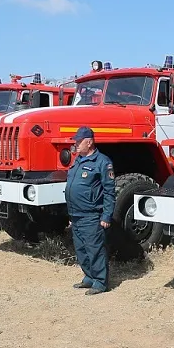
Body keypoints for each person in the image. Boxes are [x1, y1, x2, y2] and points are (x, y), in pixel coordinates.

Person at [65, 126, 116, 295]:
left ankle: (101, 282)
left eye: (79, 141)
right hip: (76, 214)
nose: (76, 145)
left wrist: (106, 215)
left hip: (92, 214)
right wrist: (71, 214)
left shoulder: (102, 162)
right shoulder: (78, 161)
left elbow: (109, 191)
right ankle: (89, 277)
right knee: (81, 249)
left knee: (95, 249)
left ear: (90, 142)